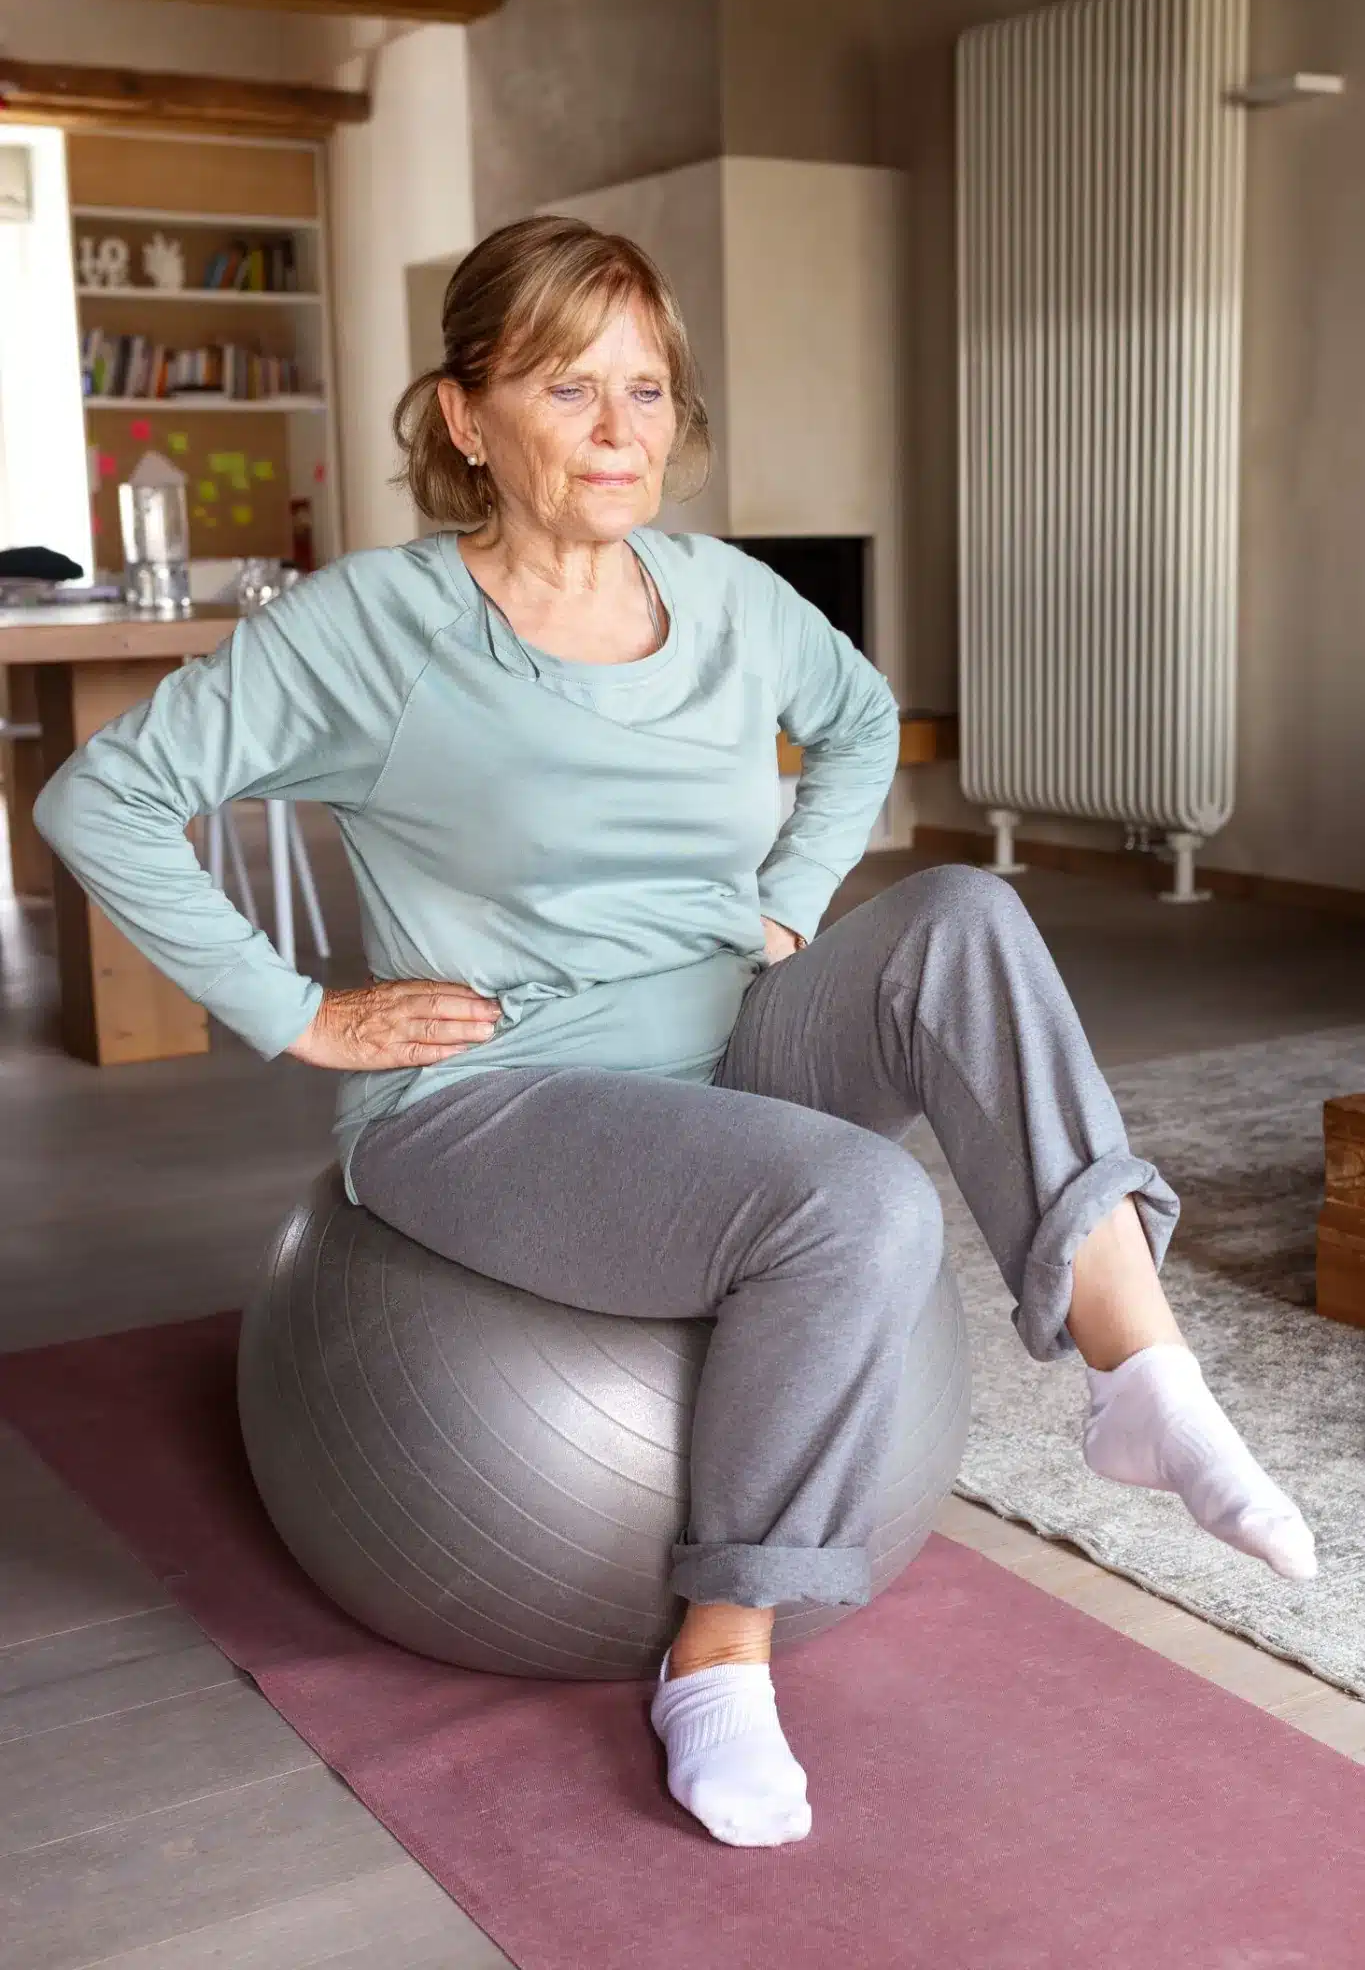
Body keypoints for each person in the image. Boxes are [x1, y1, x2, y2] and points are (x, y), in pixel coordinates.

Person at [34, 215, 1316, 1853]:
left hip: (731, 1036)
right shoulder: (373, 630)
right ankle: (721, 1652)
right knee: (857, 1205)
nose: (621, 432)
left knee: (964, 915)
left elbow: (858, 722)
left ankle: (1141, 1376)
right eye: (568, 389)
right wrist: (299, 1012)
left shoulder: (719, 594)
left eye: (646, 390)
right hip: (495, 1095)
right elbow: (104, 797)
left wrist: (790, 899)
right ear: (465, 415)